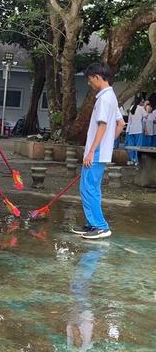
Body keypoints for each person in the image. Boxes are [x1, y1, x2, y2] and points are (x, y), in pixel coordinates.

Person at [71, 63, 125, 240]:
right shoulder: (111, 97)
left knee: (88, 188)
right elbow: (120, 124)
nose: (89, 83)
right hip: (101, 149)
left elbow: (102, 125)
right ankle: (92, 223)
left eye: (89, 79)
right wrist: (109, 141)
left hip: (96, 151)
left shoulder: (104, 99)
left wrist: (92, 150)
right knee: (91, 187)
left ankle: (101, 226)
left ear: (97, 77)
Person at [125, 95, 146, 165]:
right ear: (140, 102)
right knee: (138, 146)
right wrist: (145, 106)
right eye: (143, 102)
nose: (143, 103)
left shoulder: (131, 107)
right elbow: (146, 115)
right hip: (138, 129)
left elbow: (129, 120)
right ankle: (136, 160)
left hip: (131, 129)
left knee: (131, 145)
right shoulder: (141, 108)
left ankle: (131, 159)